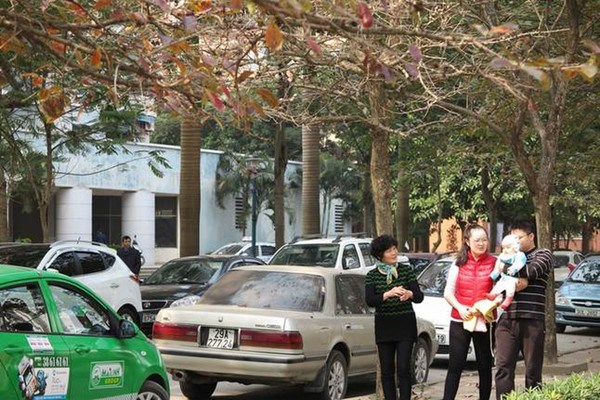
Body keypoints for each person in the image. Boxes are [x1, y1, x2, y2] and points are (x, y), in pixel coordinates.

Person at [494, 221, 553, 399]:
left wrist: (509, 273)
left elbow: (531, 270)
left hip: (532, 319)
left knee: (533, 370)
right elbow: (497, 277)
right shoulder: (507, 255)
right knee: (503, 367)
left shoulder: (543, 254)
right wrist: (512, 277)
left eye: (519, 238)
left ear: (531, 236)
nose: (515, 243)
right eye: (513, 238)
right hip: (506, 319)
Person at [365, 234, 424, 400]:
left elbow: (419, 296)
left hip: (405, 325)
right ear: (380, 255)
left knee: (404, 368)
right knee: (386, 371)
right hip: (385, 326)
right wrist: (388, 294)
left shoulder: (406, 270)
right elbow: (370, 300)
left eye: (394, 249)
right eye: (389, 250)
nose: (394, 252)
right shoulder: (372, 275)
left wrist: (409, 293)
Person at [442, 224, 497, 400]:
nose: (481, 243)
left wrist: (486, 307)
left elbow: (500, 293)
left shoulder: (495, 263)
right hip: (460, 319)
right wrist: (460, 307)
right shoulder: (458, 263)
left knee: (484, 364)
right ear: (467, 241)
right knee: (455, 365)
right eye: (477, 240)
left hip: (484, 320)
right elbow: (448, 292)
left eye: (484, 239)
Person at [486, 234, 528, 310]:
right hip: (504, 277)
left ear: (515, 247)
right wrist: (495, 273)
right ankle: (493, 294)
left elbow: (519, 263)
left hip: (513, 278)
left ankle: (508, 299)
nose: (505, 250)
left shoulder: (519, 255)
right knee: (499, 285)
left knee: (510, 286)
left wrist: (513, 269)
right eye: (503, 248)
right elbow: (498, 266)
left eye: (508, 247)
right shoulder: (502, 256)